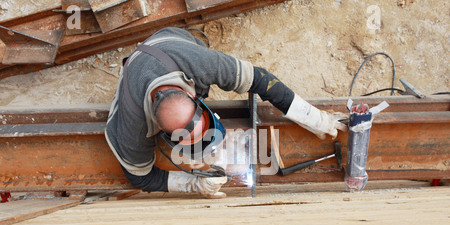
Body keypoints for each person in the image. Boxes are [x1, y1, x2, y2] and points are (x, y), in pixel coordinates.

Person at [105, 27, 347, 198]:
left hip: (169, 40)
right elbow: (140, 178)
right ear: (162, 132)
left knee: (198, 45)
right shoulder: (133, 126)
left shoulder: (201, 63)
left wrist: (313, 118)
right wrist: (193, 186)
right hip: (133, 76)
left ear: (193, 96)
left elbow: (261, 79)